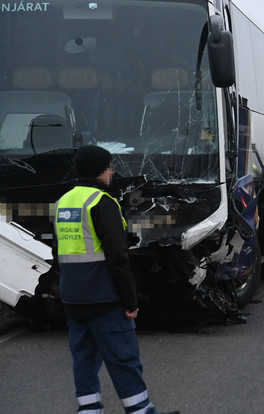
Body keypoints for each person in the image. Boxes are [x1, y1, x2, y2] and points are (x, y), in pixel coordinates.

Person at [54, 145, 178, 414]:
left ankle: (88, 410)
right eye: (109, 167)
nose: (112, 172)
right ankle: (141, 410)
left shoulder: (63, 202)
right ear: (101, 172)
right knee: (124, 358)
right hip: (104, 297)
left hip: (74, 298)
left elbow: (58, 251)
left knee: (83, 359)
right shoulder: (102, 202)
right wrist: (131, 300)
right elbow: (117, 257)